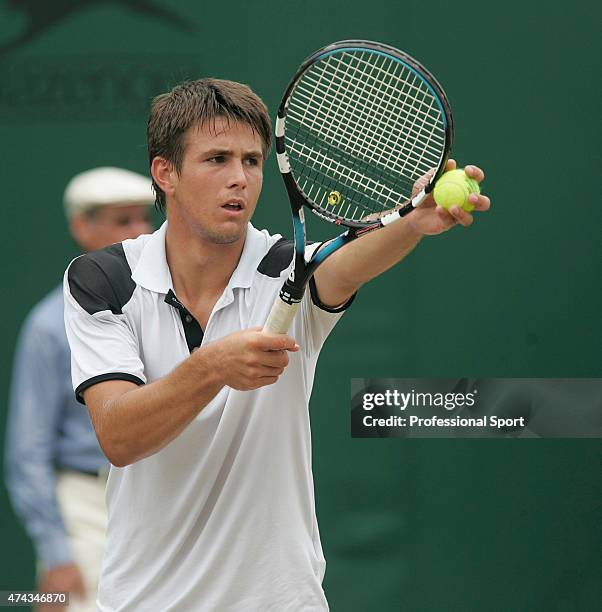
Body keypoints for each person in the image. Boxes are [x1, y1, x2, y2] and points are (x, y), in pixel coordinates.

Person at [63, 79, 490, 611]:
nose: (239, 178)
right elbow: (120, 437)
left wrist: (413, 223)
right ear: (165, 172)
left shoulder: (292, 268)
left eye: (252, 160)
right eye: (217, 159)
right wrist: (213, 366)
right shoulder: (102, 280)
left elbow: (352, 262)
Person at [5, 167, 155, 612]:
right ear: (82, 227)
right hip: (86, 510)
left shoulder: (162, 308)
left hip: (156, 498)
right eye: (122, 221)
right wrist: (56, 554)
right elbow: (27, 450)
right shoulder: (47, 326)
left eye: (143, 219)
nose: (138, 232)